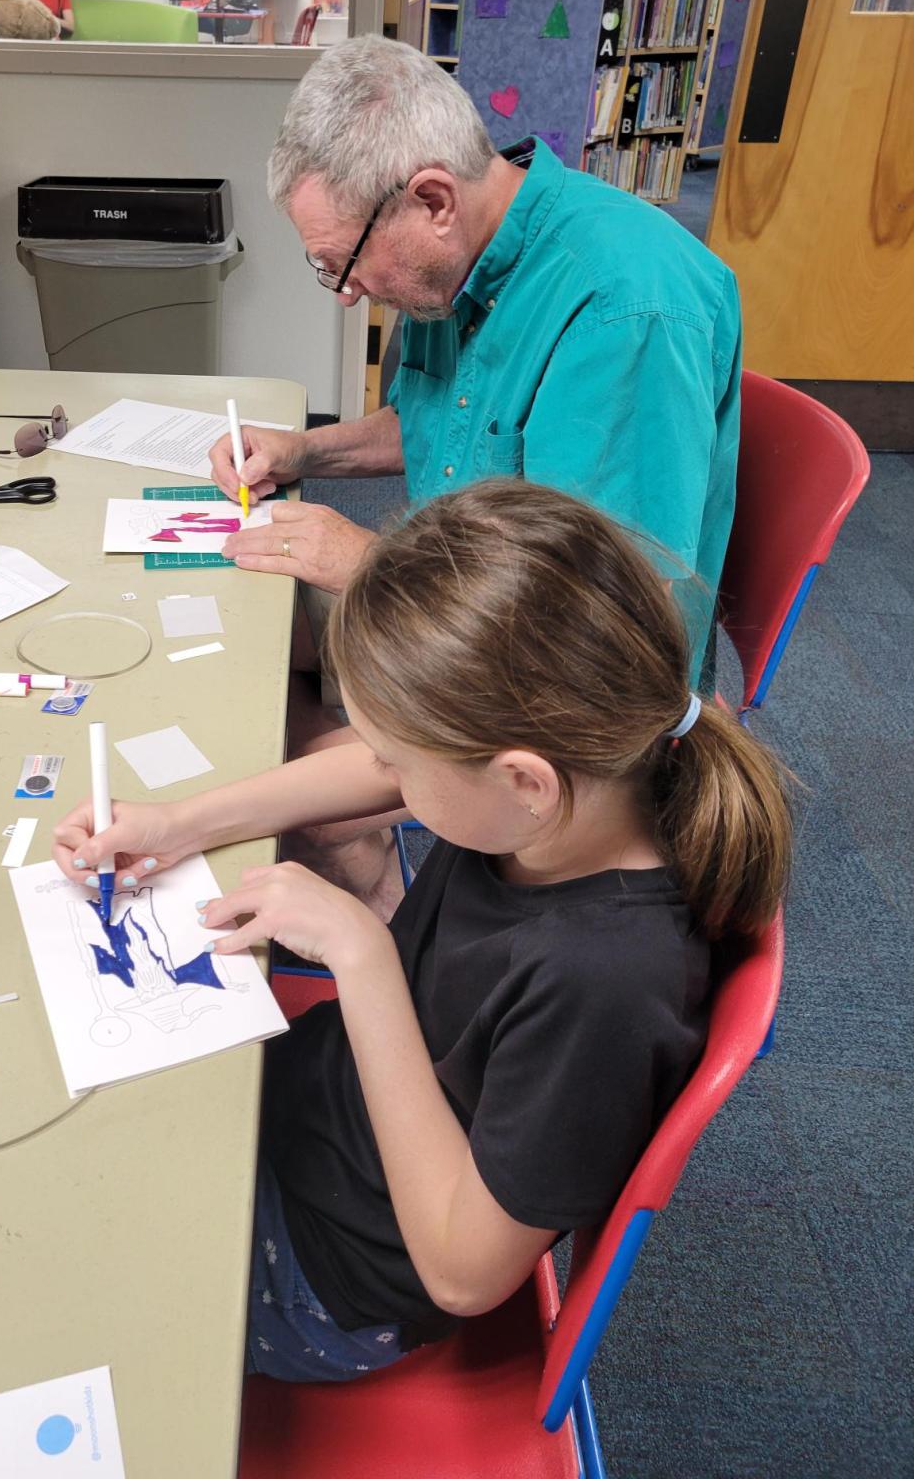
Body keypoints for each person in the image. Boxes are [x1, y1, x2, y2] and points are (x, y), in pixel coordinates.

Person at [54, 480, 791, 1382]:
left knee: (39, 1245)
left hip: (327, 1278)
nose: (384, 770)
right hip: (314, 1114)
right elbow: (379, 774)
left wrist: (362, 958)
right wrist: (176, 824)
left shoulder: (604, 984)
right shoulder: (577, 783)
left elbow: (461, 1274)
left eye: (403, 756)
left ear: (524, 781)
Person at [206, 33, 743, 910]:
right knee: (244, 641)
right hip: (459, 596)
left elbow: (606, 614)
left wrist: (372, 565)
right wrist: (306, 451)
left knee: (274, 768)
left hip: (564, 672)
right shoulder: (451, 266)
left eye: (339, 263)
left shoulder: (625, 311)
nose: (344, 292)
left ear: (432, 199)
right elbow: (442, 420)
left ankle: (394, 944)